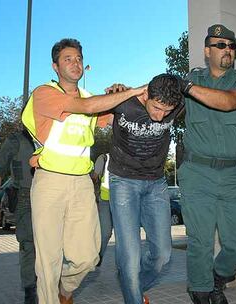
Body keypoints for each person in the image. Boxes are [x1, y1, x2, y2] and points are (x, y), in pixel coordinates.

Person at [21, 38, 146, 304]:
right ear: (55, 66)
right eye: (68, 59)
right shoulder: (44, 93)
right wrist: (131, 92)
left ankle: (64, 291)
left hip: (81, 185)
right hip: (49, 182)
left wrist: (118, 96)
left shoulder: (91, 98)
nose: (75, 63)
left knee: (88, 257)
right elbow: (88, 109)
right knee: (48, 260)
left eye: (78, 58)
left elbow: (114, 116)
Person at [176, 24, 236, 304]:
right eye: (220, 45)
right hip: (197, 173)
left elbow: (229, 102)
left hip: (234, 174)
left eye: (231, 45)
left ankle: (217, 275)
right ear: (207, 50)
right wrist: (129, 92)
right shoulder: (193, 78)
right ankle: (200, 291)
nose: (227, 50)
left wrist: (187, 88)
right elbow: (160, 101)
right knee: (200, 241)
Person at [106, 74, 184, 304]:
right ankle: (133, 295)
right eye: (157, 108)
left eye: (167, 112)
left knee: (162, 255)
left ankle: (133, 287)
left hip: (156, 183)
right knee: (130, 257)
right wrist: (118, 89)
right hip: (123, 182)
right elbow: (93, 105)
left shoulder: (177, 105)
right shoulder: (124, 103)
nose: (160, 117)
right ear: (146, 94)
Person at [0, 130, 37, 304]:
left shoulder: (50, 134)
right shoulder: (16, 140)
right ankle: (30, 293)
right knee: (28, 246)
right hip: (25, 198)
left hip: (51, 195)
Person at [91, 153, 113, 266]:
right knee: (105, 232)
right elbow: (94, 177)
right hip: (104, 201)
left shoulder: (127, 158)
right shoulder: (104, 158)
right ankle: (98, 255)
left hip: (122, 203)